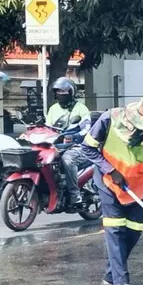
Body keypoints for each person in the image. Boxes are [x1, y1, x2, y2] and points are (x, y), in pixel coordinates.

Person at [81, 96, 143, 285]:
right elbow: (87, 148)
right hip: (109, 183)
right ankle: (122, 282)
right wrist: (110, 169)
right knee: (115, 231)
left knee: (134, 231)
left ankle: (110, 276)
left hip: (137, 188)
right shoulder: (109, 119)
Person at [47, 77, 92, 209]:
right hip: (57, 146)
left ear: (71, 92)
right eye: (58, 91)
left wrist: (74, 136)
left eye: (64, 91)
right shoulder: (53, 109)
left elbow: (87, 129)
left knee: (68, 159)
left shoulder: (81, 109)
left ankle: (74, 195)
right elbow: (48, 128)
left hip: (77, 147)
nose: (60, 94)